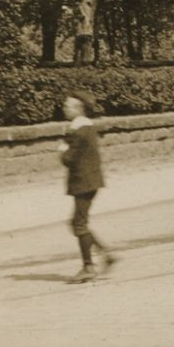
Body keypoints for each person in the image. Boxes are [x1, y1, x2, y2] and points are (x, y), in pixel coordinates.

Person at [59, 90, 114, 284]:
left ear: (79, 109)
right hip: (91, 180)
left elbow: (68, 159)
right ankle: (105, 255)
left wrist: (63, 149)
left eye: (68, 106)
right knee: (77, 223)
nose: (64, 108)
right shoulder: (87, 128)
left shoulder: (77, 130)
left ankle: (88, 267)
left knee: (78, 225)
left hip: (82, 182)